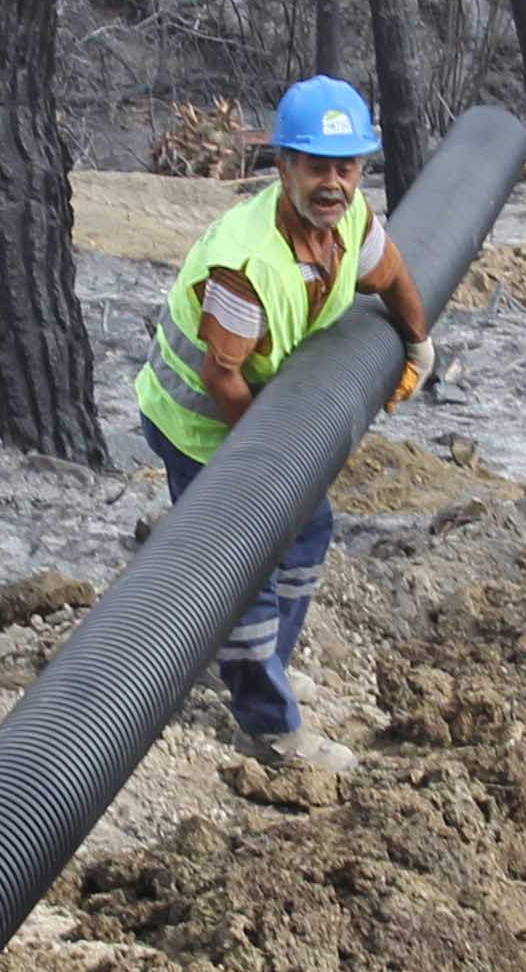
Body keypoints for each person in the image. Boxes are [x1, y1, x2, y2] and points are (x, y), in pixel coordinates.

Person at [132, 75, 432, 775]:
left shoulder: (347, 219)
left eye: (346, 167)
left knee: (313, 526)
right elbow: (221, 378)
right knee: (249, 566)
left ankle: (265, 661)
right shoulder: (247, 265)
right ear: (283, 167)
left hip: (251, 408)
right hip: (198, 427)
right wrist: (273, 463)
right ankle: (267, 729)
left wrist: (418, 342)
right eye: (316, 165)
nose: (333, 182)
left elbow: (390, 277)